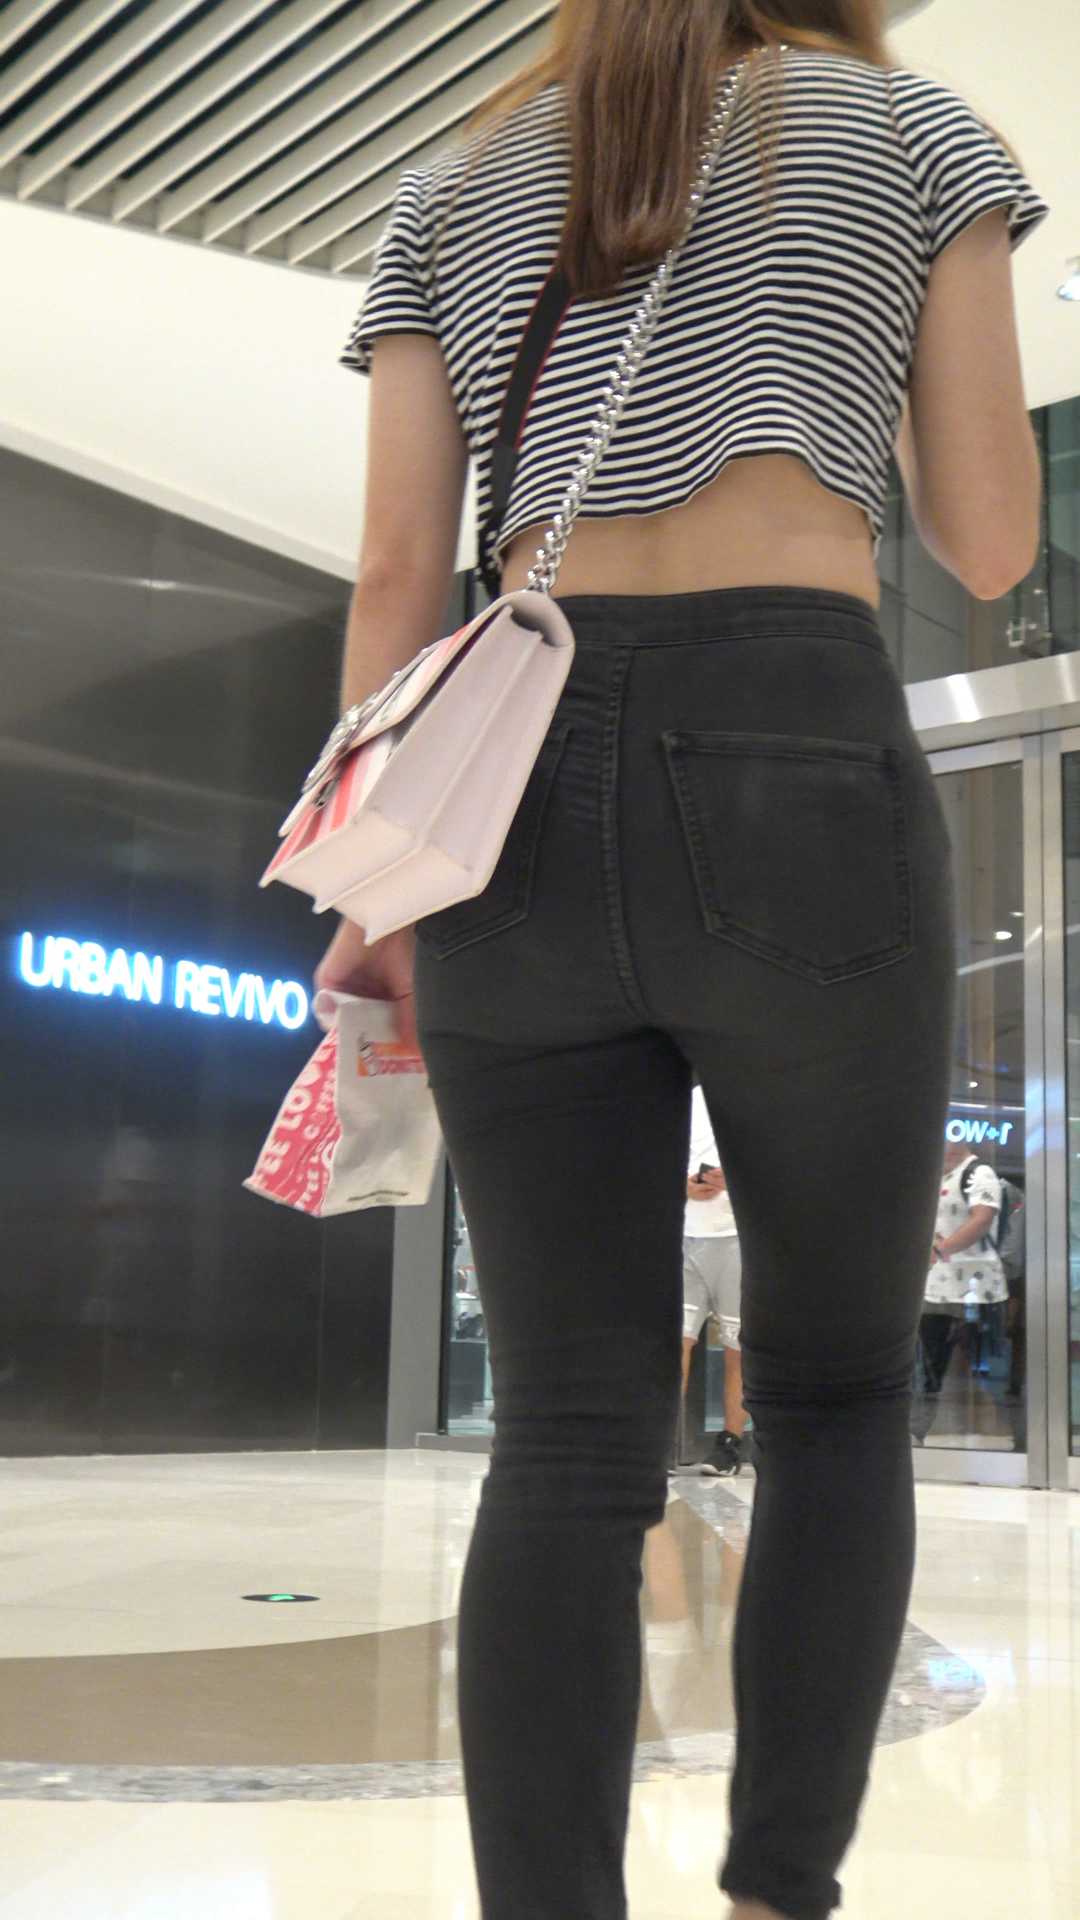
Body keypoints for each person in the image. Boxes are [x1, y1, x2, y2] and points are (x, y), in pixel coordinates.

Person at [315, 5, 1048, 1916]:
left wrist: (374, 895)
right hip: (799, 745)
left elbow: (396, 574)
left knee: (565, 1432)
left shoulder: (450, 182)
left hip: (505, 778)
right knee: (832, 1395)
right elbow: (989, 536)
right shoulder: (911, 132)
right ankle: (773, 1896)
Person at [913, 1140, 1007, 1446]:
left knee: (979, 1367)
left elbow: (982, 1219)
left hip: (974, 1290)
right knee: (930, 1367)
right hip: (937, 1288)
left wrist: (941, 1249)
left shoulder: (979, 1174)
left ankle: (993, 1434)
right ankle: (922, 1433)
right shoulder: (941, 1175)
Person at [681, 1086, 749, 1475]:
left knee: (736, 1347)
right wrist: (687, 1184)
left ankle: (730, 1444)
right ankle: (664, 1439)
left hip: (738, 1237)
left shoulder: (759, 1093)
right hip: (687, 1235)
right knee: (675, 1342)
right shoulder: (689, 1098)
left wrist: (733, 1180)